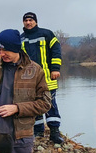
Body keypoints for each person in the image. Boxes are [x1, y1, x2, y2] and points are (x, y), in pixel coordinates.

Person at [20, 12, 64, 144]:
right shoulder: (21, 38)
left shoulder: (46, 34)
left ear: (36, 22)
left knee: (50, 103)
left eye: (31, 20)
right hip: (29, 79)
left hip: (47, 77)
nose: (28, 22)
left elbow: (56, 50)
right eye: (26, 20)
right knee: (34, 104)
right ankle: (38, 131)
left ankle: (54, 132)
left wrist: (55, 68)